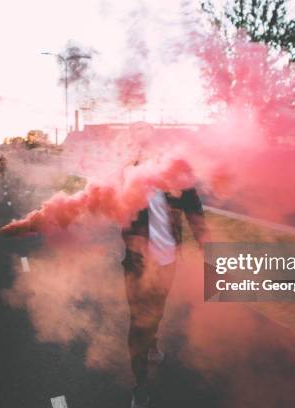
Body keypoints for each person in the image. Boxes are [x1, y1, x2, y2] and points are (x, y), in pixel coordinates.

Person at [122, 124, 209, 408]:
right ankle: (140, 385)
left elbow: (195, 211)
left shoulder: (176, 177)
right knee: (138, 321)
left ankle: (153, 340)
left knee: (155, 314)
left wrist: (205, 244)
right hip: (137, 264)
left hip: (167, 261)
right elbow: (115, 212)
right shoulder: (127, 178)